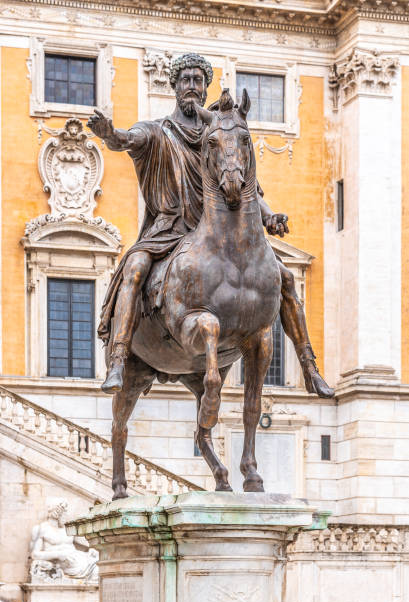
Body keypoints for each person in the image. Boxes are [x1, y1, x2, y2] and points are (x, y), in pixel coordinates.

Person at [87, 53, 334, 399]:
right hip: (169, 232)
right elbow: (126, 139)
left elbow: (245, 185)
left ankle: (309, 367)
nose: (191, 86)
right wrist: (109, 133)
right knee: (135, 267)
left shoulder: (220, 133)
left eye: (198, 80)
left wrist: (267, 216)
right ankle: (118, 357)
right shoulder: (159, 130)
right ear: (175, 86)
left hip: (217, 236)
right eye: (185, 79)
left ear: (205, 89)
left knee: (287, 278)